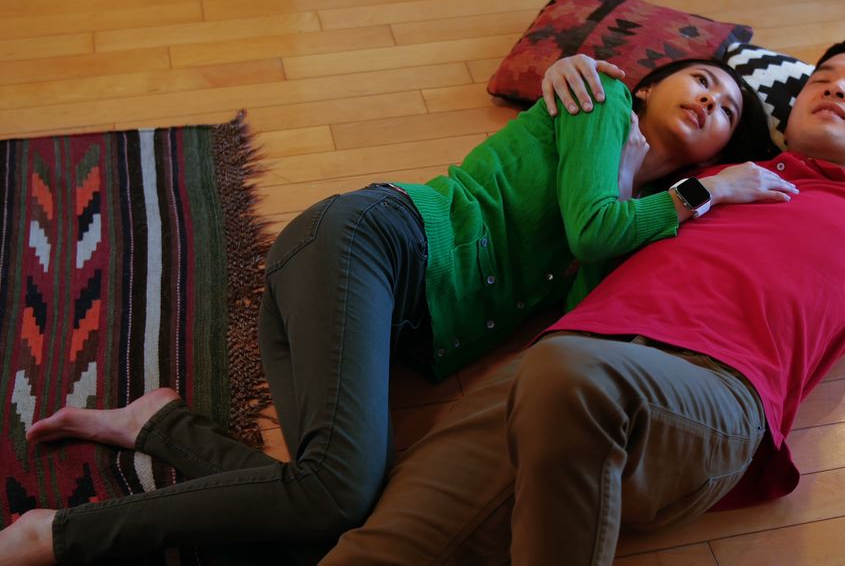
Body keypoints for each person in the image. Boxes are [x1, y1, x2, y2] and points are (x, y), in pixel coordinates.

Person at [0, 56, 787, 565]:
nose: (712, 95)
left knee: (340, 504)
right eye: (703, 80)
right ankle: (58, 537)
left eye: (725, 106)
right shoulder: (603, 100)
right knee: (337, 497)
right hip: (372, 244)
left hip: (364, 295)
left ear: (721, 143)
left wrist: (643, 204)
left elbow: (584, 303)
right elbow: (589, 227)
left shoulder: (648, 211)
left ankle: (160, 426)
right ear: (651, 85)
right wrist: (703, 193)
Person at [313, 37, 845, 565]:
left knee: (571, 378)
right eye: (821, 79)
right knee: (372, 540)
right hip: (548, 371)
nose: (833, 85)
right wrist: (575, 67)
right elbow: (611, 158)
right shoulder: (711, 179)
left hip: (706, 393)